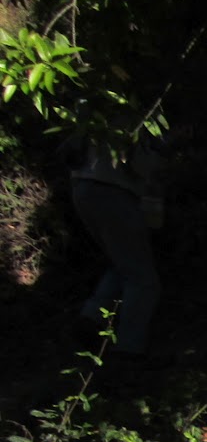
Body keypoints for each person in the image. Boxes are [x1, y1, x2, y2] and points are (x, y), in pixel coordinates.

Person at [69, 135, 167, 363]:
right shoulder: (141, 122)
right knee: (143, 279)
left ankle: (92, 318)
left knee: (123, 263)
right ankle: (129, 350)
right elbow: (143, 166)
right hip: (114, 191)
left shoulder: (98, 116)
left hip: (84, 186)